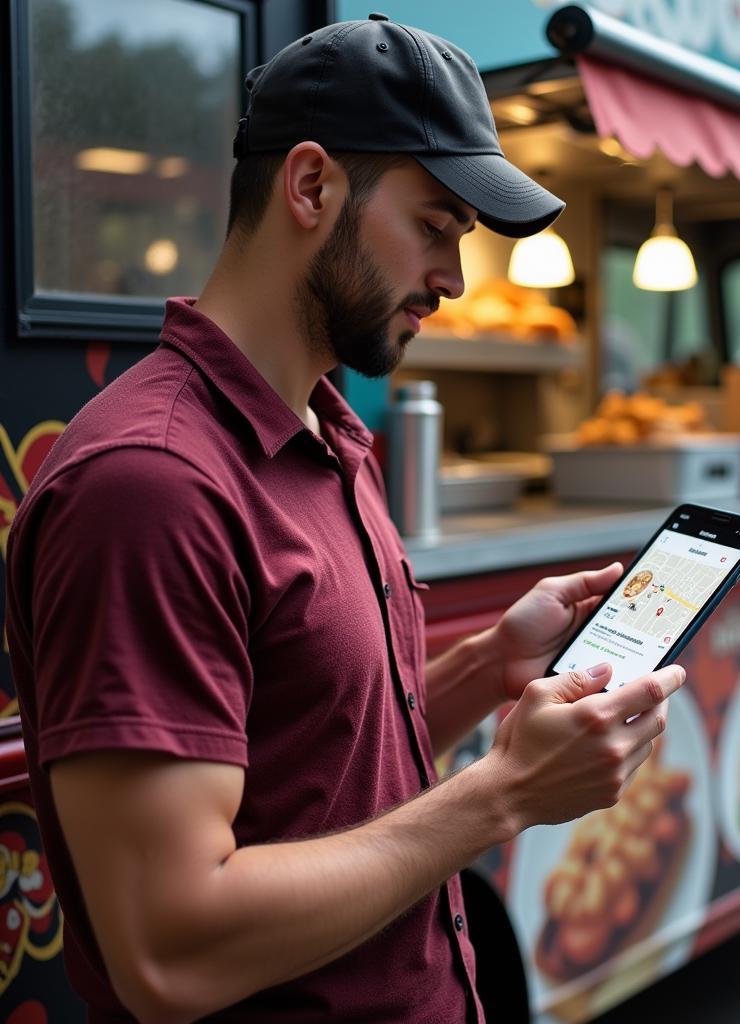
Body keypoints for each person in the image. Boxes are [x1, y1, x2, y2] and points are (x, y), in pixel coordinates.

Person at [5, 15, 684, 1024]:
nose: (454, 280)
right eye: (437, 226)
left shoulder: (324, 429)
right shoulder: (148, 487)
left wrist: (482, 666)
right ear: (312, 186)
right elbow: (167, 949)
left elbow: (307, 748)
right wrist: (500, 792)